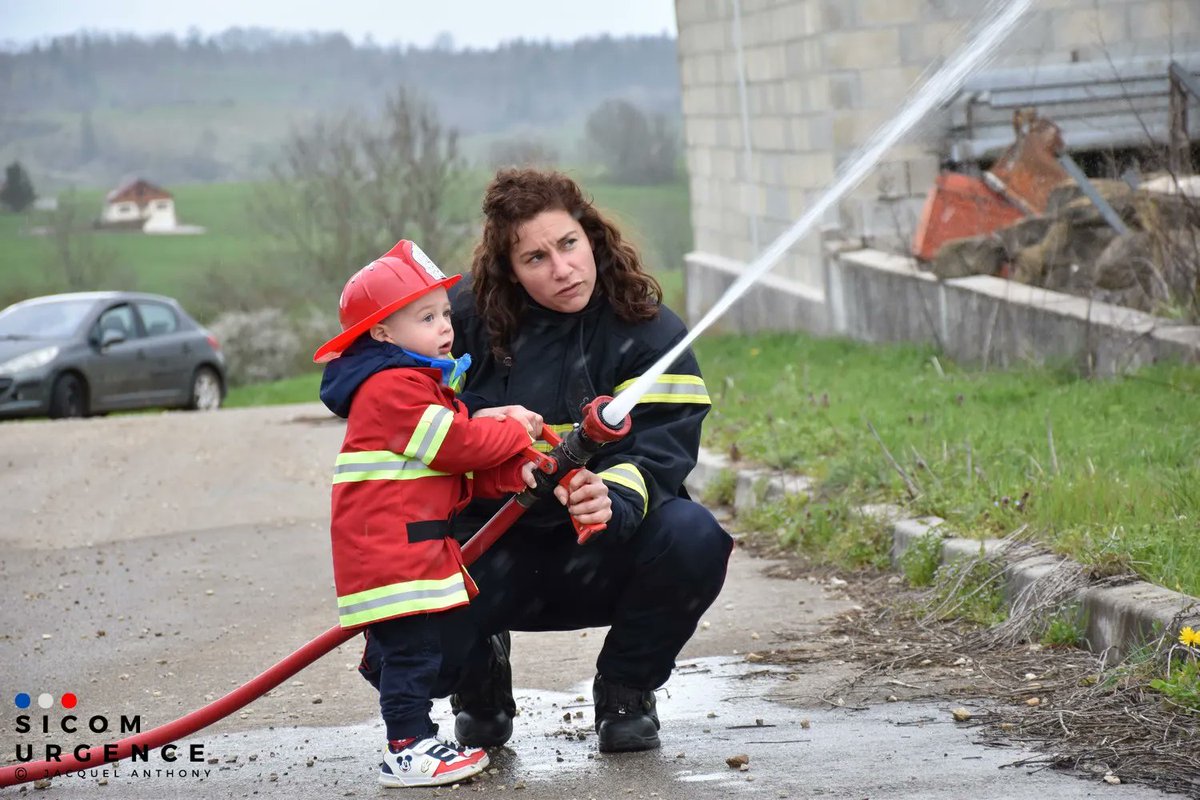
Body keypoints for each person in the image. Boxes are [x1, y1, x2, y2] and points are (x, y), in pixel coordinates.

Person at [358, 168, 734, 755]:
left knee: (694, 538)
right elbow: (371, 383)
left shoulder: (648, 329)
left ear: (591, 237)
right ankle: (479, 682)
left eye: (568, 245)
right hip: (490, 548)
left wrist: (615, 495)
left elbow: (663, 444)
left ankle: (626, 690)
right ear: (509, 271)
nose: (562, 270)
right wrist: (471, 426)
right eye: (535, 259)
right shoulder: (456, 327)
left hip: (602, 547)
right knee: (405, 663)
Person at [314, 239, 545, 788]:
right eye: (425, 317)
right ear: (382, 334)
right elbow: (457, 447)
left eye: (444, 313)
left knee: (420, 648)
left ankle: (399, 699)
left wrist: (520, 472)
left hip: (410, 549)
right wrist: (512, 428)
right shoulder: (391, 388)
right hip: (392, 553)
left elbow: (456, 471)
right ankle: (407, 748)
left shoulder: (418, 385)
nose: (445, 326)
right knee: (415, 656)